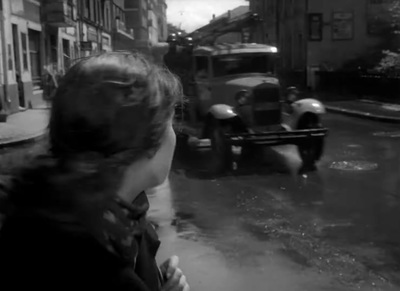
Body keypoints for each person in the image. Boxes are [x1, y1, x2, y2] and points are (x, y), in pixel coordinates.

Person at [0, 51, 189, 291]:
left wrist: (152, 281)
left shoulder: (113, 214)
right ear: (148, 143)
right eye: (170, 124)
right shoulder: (84, 255)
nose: (175, 136)